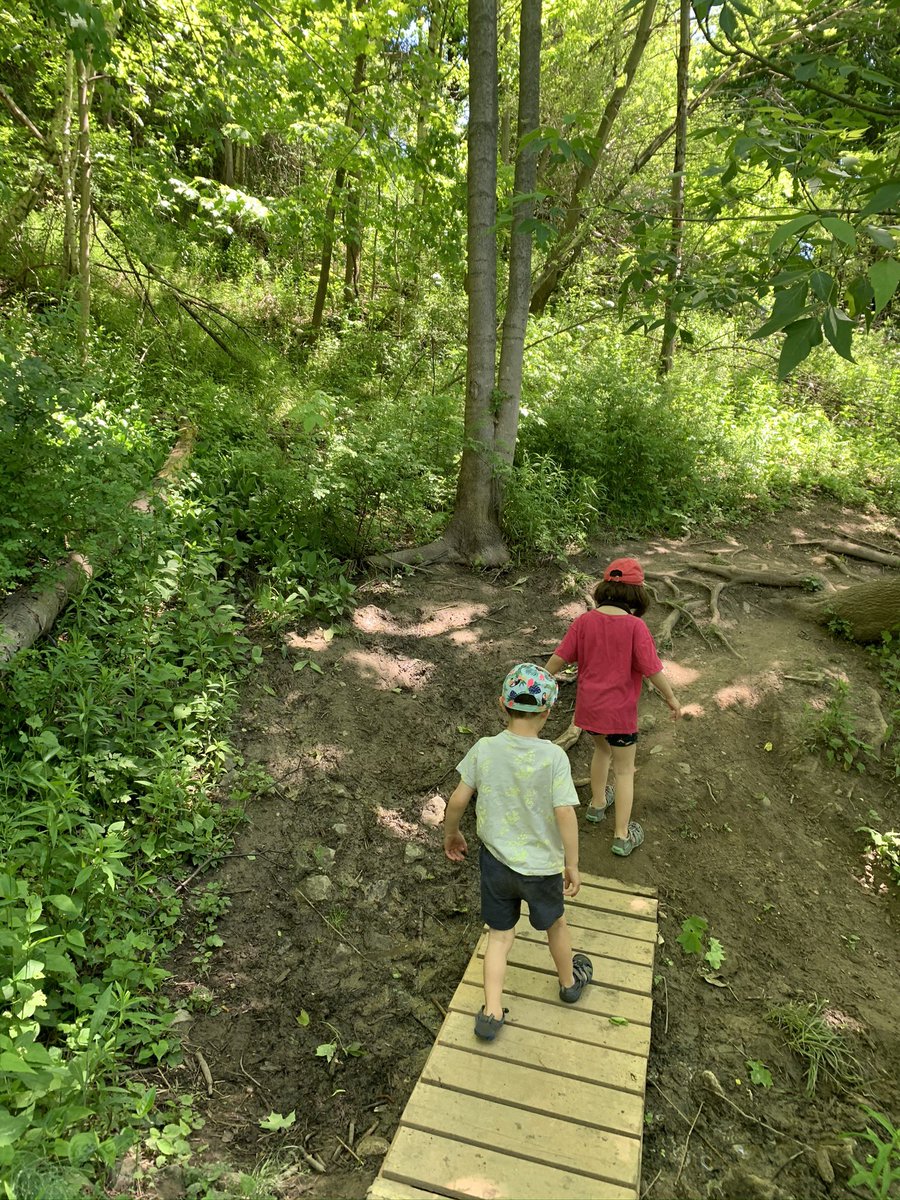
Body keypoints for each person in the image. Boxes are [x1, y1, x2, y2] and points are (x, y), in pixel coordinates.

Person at [443, 663, 593, 1041]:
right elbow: (564, 813)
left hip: (496, 864)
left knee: (499, 936)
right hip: (542, 868)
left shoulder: (485, 749)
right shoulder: (554, 758)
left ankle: (491, 1013)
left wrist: (452, 834)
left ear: (501, 705)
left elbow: (459, 799)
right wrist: (571, 864)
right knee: (556, 925)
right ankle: (568, 982)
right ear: (547, 712)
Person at [545, 557, 681, 857]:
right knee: (624, 771)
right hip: (620, 715)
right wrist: (671, 697)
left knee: (601, 751)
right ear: (636, 594)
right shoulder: (635, 627)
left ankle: (596, 806)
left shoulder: (584, 621)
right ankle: (621, 835)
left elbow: (559, 658)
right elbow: (652, 669)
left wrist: (538, 679)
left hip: (589, 712)